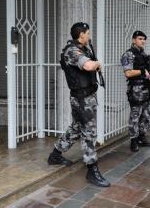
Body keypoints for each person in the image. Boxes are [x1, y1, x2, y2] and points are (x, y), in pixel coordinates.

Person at [47, 22, 110, 187]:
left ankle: (55, 155)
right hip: (81, 99)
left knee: (76, 128)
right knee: (89, 132)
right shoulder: (72, 51)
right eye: (87, 33)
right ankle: (91, 169)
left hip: (86, 97)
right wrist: (97, 63)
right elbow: (88, 65)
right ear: (81, 34)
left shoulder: (84, 49)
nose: (89, 36)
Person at [121, 31, 150, 152]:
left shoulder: (143, 54)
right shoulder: (128, 54)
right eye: (140, 38)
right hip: (136, 90)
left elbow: (148, 73)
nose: (142, 41)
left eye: (144, 39)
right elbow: (128, 73)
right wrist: (142, 71)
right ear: (134, 40)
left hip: (146, 89)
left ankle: (142, 138)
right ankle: (133, 140)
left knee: (146, 116)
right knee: (135, 116)